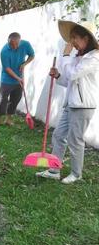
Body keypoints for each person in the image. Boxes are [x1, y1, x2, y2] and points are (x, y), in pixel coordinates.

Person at [36, 20, 99, 184]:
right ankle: (54, 169)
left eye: (75, 38)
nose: (72, 43)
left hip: (83, 106)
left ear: (86, 39)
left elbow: (72, 74)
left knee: (75, 139)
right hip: (70, 104)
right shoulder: (79, 57)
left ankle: (76, 174)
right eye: (71, 39)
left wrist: (65, 55)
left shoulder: (93, 57)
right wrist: (58, 75)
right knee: (58, 135)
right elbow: (68, 80)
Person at [0, 32, 35, 126]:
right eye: (11, 44)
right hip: (7, 79)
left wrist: (24, 64)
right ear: (8, 42)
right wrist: (18, 78)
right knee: (2, 99)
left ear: (20, 41)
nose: (14, 46)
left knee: (16, 98)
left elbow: (32, 55)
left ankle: (8, 119)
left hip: (19, 77)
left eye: (16, 44)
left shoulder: (25, 44)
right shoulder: (4, 51)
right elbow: (7, 69)